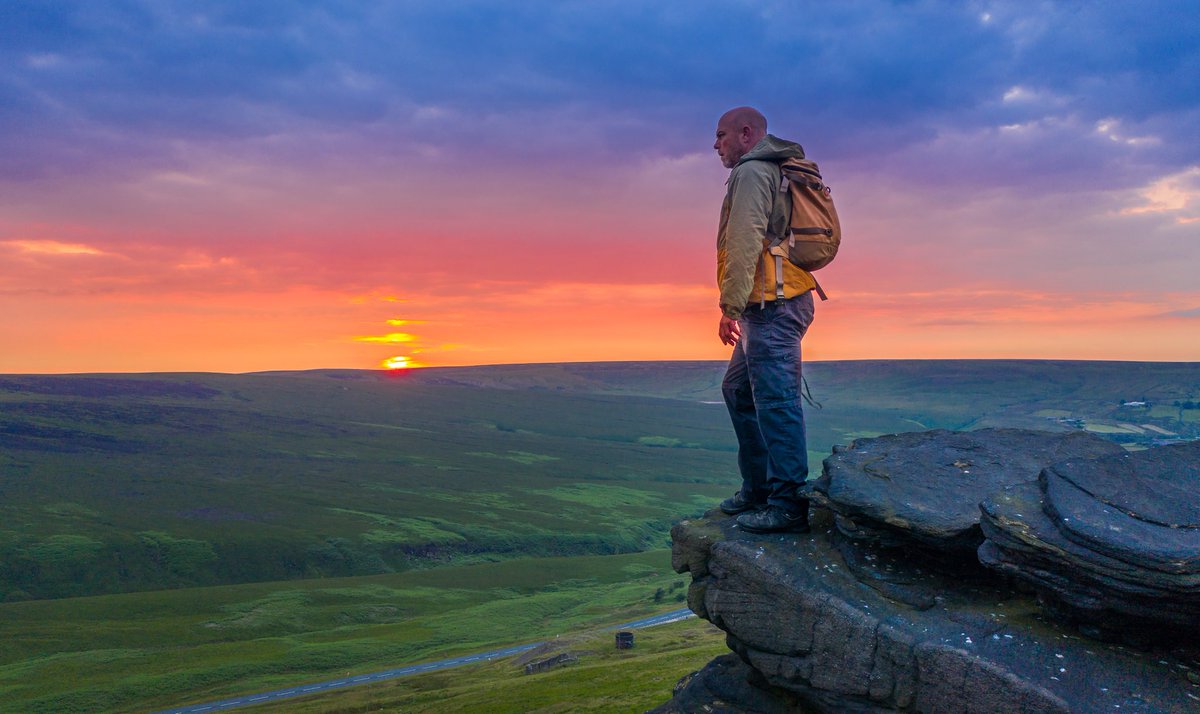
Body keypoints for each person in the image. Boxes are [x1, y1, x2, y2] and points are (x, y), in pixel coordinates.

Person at [712, 106, 817, 533]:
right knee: (739, 390)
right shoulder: (767, 169)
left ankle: (787, 503)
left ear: (746, 133)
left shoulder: (752, 172)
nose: (715, 145)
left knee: (775, 402)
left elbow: (744, 240)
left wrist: (728, 307)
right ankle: (757, 489)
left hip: (772, 305)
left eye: (721, 135)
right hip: (772, 302)